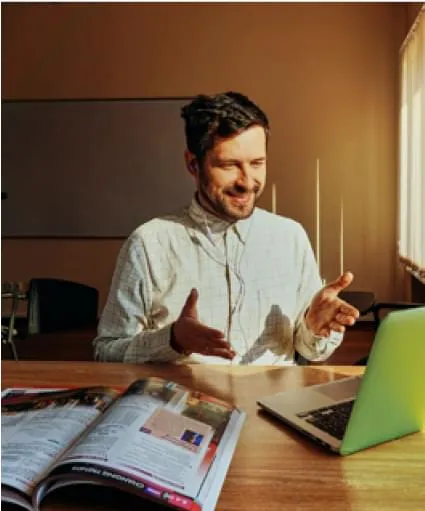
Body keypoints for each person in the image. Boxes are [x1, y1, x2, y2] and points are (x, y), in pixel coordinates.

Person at [94, 91, 359, 365]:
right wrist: (172, 341)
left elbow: (310, 351)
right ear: (193, 164)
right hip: (183, 403)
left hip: (273, 403)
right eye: (229, 165)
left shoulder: (291, 238)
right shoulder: (149, 244)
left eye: (257, 163)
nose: (247, 181)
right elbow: (106, 352)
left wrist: (314, 329)